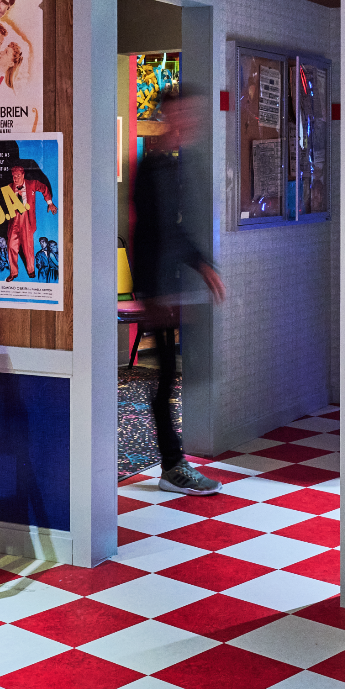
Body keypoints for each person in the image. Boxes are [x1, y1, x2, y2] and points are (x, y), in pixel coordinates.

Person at [127, 86, 227, 496]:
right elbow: (145, 233)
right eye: (183, 113)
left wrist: (202, 266)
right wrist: (151, 293)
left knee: (170, 376)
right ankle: (172, 465)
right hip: (159, 290)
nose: (190, 120)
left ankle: (173, 462)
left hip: (172, 287)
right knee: (166, 377)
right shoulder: (151, 168)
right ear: (170, 116)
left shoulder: (178, 164)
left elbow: (177, 231)